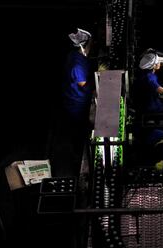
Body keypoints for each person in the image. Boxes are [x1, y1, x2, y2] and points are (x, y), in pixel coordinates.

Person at [56, 27, 95, 175]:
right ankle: (77, 157)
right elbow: (83, 84)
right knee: (79, 131)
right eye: (90, 44)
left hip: (76, 99)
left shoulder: (76, 56)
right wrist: (99, 80)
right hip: (76, 103)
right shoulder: (77, 65)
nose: (92, 46)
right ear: (82, 46)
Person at [135, 48, 163, 114]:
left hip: (146, 101)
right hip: (151, 106)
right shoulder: (150, 78)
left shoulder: (146, 73)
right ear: (153, 66)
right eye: (158, 62)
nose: (160, 63)